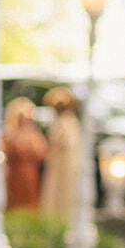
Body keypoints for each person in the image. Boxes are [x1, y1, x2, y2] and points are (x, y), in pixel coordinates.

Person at [38, 87, 80, 219]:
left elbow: (68, 142)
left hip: (66, 165)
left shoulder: (69, 122)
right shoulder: (59, 122)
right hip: (56, 165)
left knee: (64, 193)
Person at [2, 96, 49, 211]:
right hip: (14, 173)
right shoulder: (9, 134)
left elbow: (42, 153)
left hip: (30, 173)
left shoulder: (34, 134)